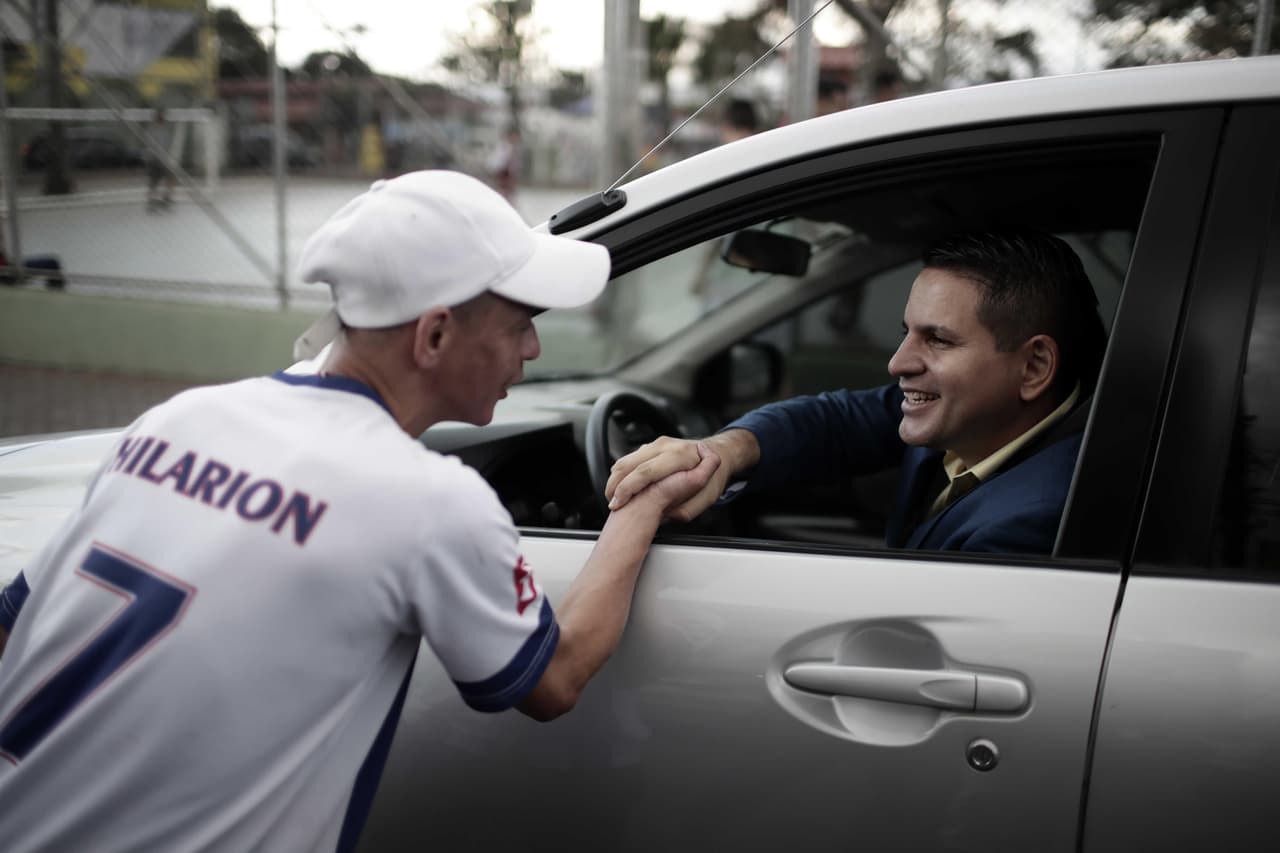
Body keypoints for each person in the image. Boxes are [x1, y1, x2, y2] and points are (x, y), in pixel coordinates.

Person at [0, 170, 718, 852]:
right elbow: (556, 677)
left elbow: (14, 625)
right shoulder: (428, 500)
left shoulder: (178, 419)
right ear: (434, 336)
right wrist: (643, 502)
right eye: (520, 323)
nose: (532, 348)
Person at [608, 229, 1107, 555]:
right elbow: (835, 422)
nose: (898, 363)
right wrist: (721, 453)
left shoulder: (1031, 526)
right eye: (906, 333)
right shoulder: (974, 420)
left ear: (1034, 367)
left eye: (938, 339)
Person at [145, 108, 175, 211]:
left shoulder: (165, 129)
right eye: (161, 116)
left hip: (164, 158)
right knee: (154, 180)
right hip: (155, 159)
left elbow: (167, 143)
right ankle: (152, 200)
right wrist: (153, 157)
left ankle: (166, 197)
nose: (163, 118)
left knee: (170, 177)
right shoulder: (152, 129)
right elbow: (150, 144)